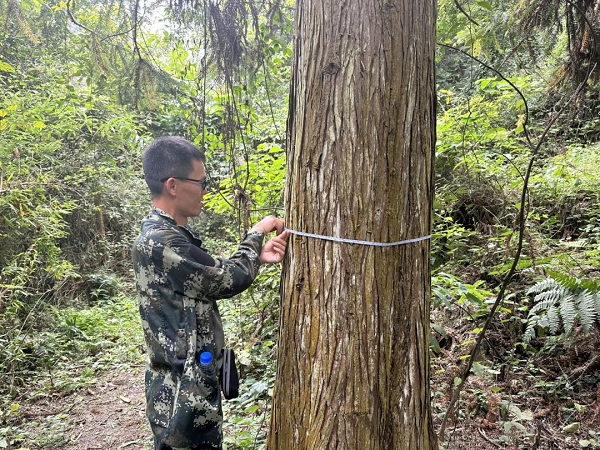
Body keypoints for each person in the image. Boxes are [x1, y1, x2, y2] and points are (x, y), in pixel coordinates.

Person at [132, 136, 289, 450]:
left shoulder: (170, 235)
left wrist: (255, 258)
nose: (205, 190)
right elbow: (228, 278)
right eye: (201, 183)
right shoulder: (161, 241)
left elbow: (211, 273)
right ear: (173, 185)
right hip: (180, 394)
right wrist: (257, 233)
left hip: (190, 384)